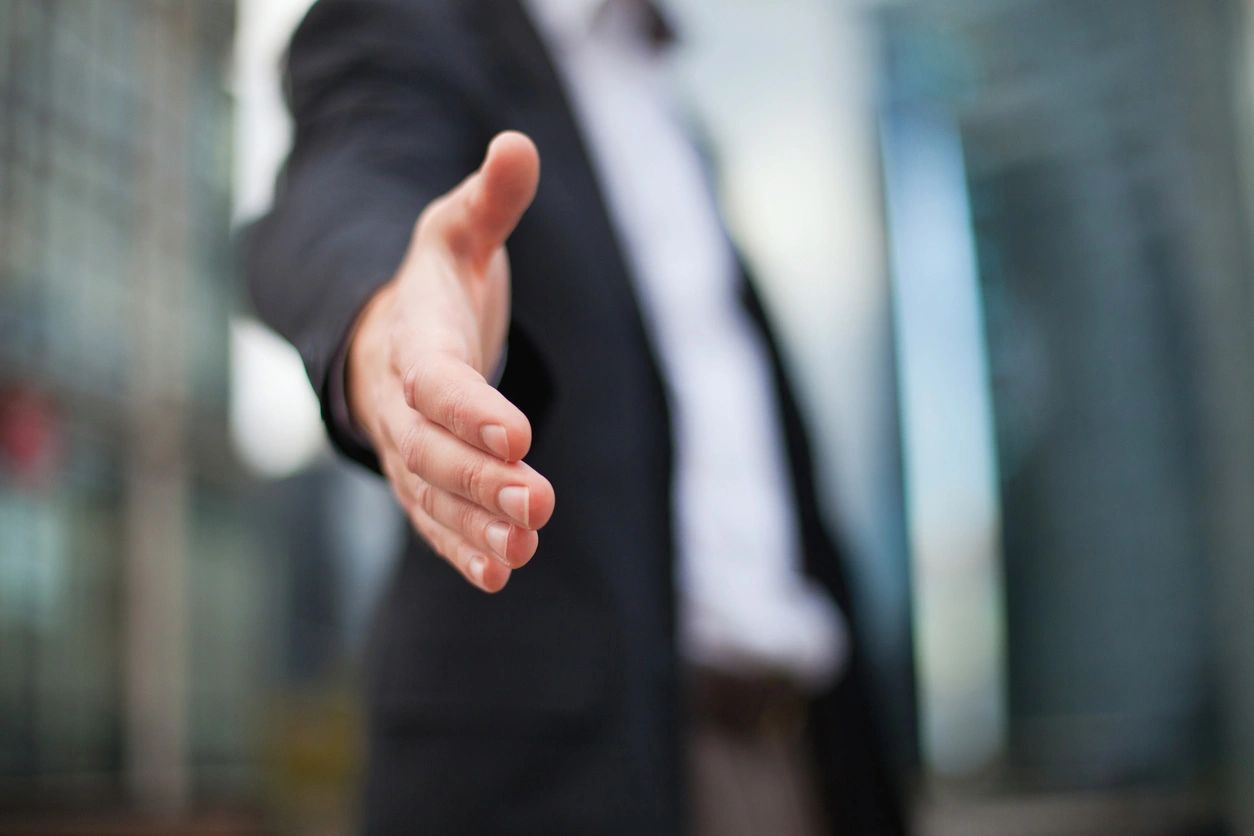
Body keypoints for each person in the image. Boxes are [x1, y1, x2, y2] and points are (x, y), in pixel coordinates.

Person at [246, 0, 905, 833]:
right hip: (560, 778)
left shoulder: (673, 108)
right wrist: (389, 318)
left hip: (800, 750)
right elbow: (348, 180)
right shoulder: (414, 21)